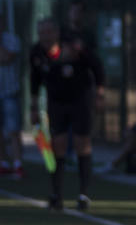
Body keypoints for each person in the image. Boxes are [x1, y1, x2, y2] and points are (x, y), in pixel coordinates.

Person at [29, 19, 105, 211]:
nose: (45, 37)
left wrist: (99, 94)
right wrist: (33, 108)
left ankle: (84, 194)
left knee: (82, 144)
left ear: (56, 33)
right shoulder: (37, 53)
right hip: (57, 103)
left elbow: (96, 67)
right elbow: (35, 81)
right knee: (58, 146)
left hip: (81, 100)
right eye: (41, 33)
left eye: (48, 32)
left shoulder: (74, 47)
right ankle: (56, 195)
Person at [0, 16, 24, 179]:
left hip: (9, 91)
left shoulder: (11, 40)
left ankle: (17, 164)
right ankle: (3, 163)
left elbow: (6, 58)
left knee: (13, 129)